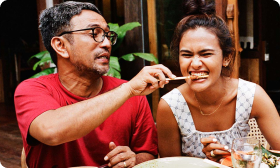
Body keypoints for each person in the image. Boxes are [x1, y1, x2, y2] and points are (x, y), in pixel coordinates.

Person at [14, 1, 176, 168]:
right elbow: (50, 131)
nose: (106, 43)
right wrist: (128, 89)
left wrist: (134, 160)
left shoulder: (134, 97)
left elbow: (149, 155)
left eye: (107, 35)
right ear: (61, 46)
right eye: (94, 33)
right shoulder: (32, 90)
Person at [156, 0, 280, 163]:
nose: (195, 64)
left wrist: (231, 158)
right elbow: (170, 167)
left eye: (205, 54)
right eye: (186, 55)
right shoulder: (170, 106)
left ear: (226, 58)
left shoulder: (251, 95)